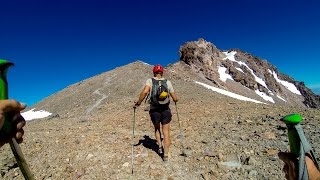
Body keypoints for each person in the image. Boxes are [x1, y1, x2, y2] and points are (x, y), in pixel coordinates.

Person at [134, 64, 178, 161]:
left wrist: (138, 103)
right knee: (166, 132)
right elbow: (175, 98)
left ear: (154, 72)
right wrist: (175, 100)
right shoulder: (168, 82)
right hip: (166, 109)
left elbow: (145, 92)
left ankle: (160, 146)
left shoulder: (150, 81)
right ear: (162, 72)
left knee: (157, 128)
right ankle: (166, 155)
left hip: (154, 110)